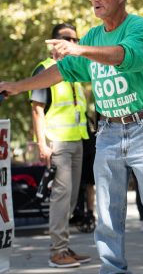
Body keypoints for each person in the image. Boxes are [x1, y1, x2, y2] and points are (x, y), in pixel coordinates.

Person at [0, 0, 143, 274]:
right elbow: (64, 71)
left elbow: (122, 56)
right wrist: (17, 86)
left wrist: (79, 48)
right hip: (109, 131)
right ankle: (112, 270)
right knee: (108, 211)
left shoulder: (138, 27)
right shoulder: (93, 35)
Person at [29, 23, 91, 268]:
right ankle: (57, 252)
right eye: (67, 38)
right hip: (58, 143)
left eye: (76, 39)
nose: (73, 43)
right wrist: (42, 144)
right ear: (53, 42)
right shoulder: (44, 69)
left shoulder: (74, 69)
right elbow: (37, 110)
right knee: (61, 198)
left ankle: (63, 246)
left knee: (72, 199)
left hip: (77, 140)